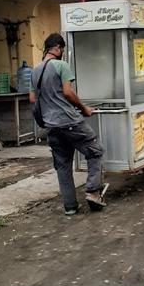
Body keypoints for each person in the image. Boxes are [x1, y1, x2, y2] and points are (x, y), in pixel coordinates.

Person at [29, 33, 105, 215]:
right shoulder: (61, 65)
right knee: (95, 151)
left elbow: (32, 99)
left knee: (63, 165)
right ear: (57, 47)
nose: (62, 52)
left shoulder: (35, 71)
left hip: (51, 126)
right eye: (61, 49)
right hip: (69, 121)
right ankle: (93, 192)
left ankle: (70, 206)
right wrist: (84, 108)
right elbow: (68, 92)